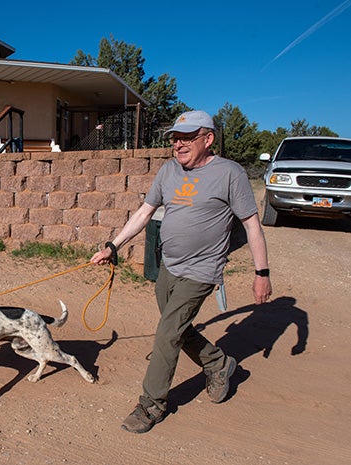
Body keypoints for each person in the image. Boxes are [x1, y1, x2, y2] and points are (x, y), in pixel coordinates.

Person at [91, 110, 272, 434]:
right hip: (168, 267)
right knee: (175, 329)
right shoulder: (169, 171)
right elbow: (144, 213)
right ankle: (219, 365)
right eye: (175, 137)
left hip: (202, 271)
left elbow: (251, 225)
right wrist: (112, 246)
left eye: (187, 137)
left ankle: (151, 405)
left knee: (167, 333)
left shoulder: (229, 173)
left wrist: (262, 273)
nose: (178, 143)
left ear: (208, 139)